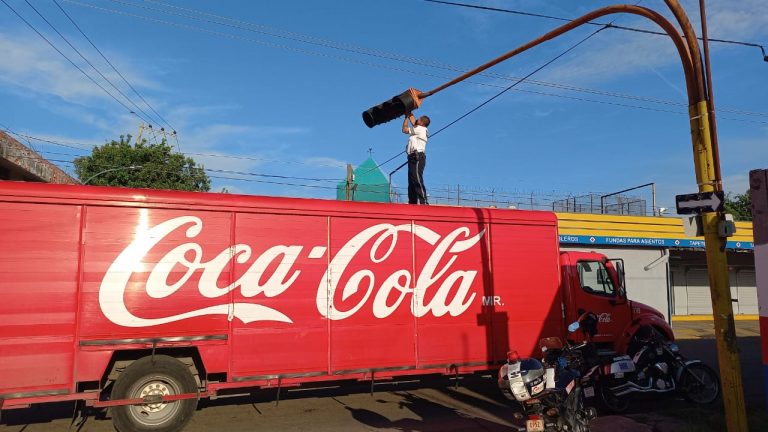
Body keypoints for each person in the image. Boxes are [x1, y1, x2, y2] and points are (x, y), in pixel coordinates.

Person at [402, 112, 430, 205]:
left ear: (421, 122)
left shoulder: (420, 129)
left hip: (417, 157)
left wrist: (406, 118)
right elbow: (414, 122)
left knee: (417, 178)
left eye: (419, 118)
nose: (417, 119)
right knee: (411, 181)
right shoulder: (420, 129)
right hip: (412, 157)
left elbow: (404, 129)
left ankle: (423, 201)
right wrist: (409, 112)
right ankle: (412, 202)